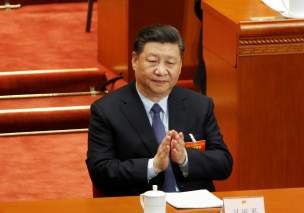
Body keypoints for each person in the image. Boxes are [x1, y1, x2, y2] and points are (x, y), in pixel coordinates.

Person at [86, 24, 232, 196]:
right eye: (152, 61)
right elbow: (100, 171)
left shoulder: (199, 105)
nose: (161, 71)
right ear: (134, 60)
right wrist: (152, 166)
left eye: (170, 63)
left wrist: (184, 159)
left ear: (180, 66)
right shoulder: (106, 110)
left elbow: (224, 163)